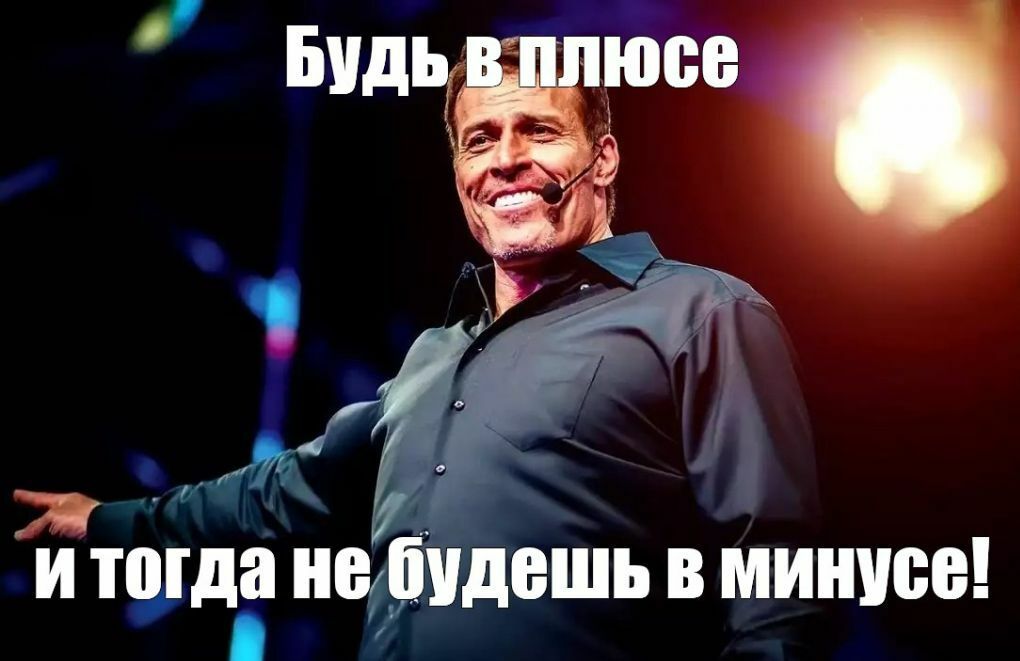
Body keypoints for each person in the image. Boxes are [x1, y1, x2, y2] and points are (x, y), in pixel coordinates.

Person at [13, 37, 832, 660]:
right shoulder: (433, 359)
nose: (506, 160)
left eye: (538, 130)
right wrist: (112, 521)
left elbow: (779, 575)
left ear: (604, 157)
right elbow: (280, 491)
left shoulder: (698, 311)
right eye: (479, 140)